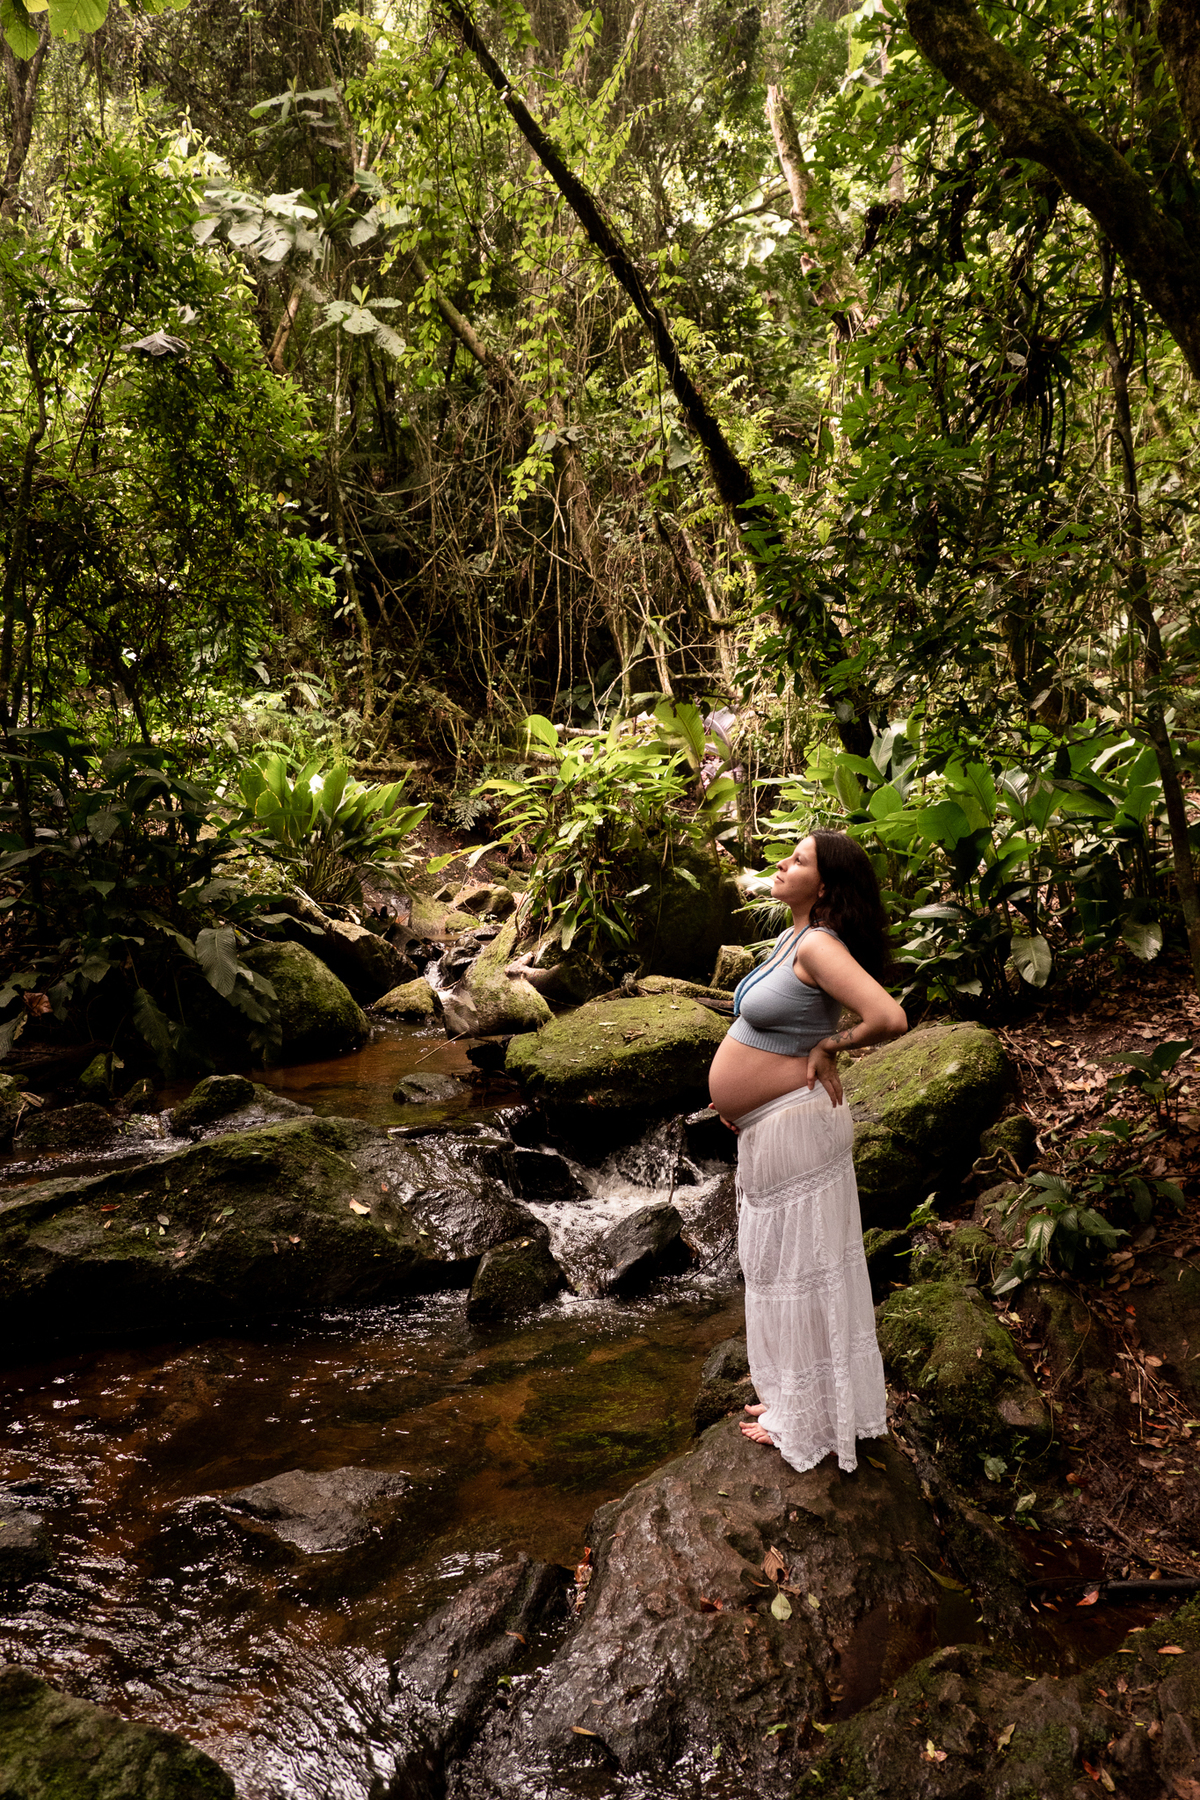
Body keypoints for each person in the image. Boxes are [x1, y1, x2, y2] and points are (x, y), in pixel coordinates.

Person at [707, 830, 908, 1474]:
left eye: (798, 860)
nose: (782, 864)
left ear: (823, 887)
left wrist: (830, 1048)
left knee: (801, 1268)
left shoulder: (819, 944)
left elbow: (889, 1016)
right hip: (773, 1125)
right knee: (775, 1265)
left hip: (798, 1126)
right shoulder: (794, 938)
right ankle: (797, 1399)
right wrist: (739, 1102)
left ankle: (810, 1418)